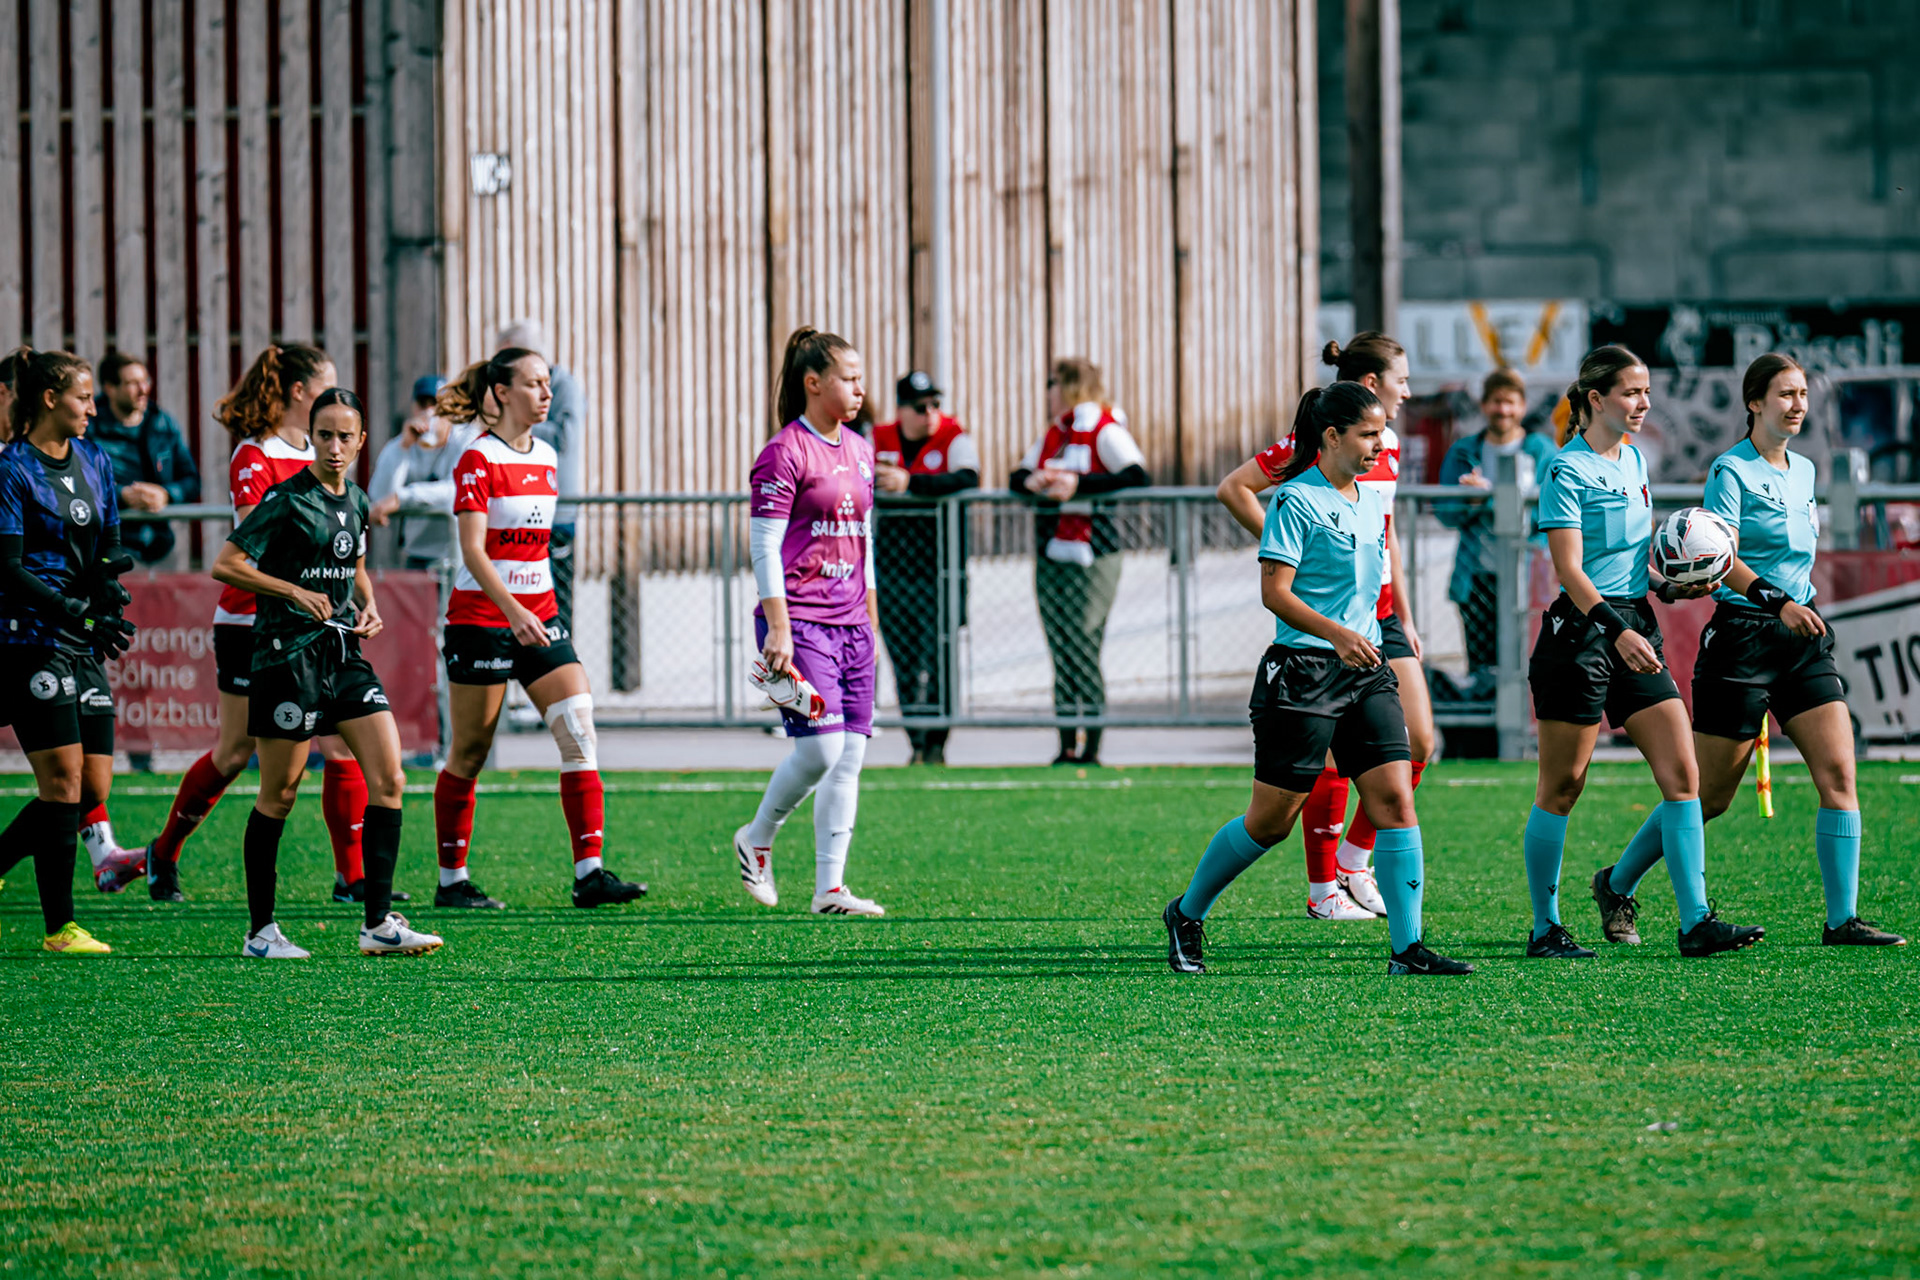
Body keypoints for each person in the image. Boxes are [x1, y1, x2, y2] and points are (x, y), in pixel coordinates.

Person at [1161, 382, 1471, 976]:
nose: (1381, 444)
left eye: (1381, 432)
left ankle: (1408, 949)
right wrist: (1337, 634)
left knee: (1395, 800)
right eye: (1369, 434)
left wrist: (1380, 631)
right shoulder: (1293, 500)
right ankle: (1188, 911)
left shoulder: (1371, 498)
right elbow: (1274, 593)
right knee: (1271, 821)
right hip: (1302, 674)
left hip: (1367, 669)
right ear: (1332, 437)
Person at [1523, 344, 1764, 958]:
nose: (1644, 403)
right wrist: (1616, 627)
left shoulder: (1634, 461)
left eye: (1647, 392)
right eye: (1632, 392)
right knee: (1563, 785)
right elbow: (1570, 572)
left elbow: (1628, 565)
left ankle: (1695, 922)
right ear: (1596, 399)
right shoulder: (1564, 468)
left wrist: (1668, 586)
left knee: (1684, 778)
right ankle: (1545, 927)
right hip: (1582, 634)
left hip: (1634, 623)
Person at [139, 343, 389, 906]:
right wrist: (305, 585)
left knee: (341, 746)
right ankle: (166, 849)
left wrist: (357, 596)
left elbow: (346, 550)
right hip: (253, 626)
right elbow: (254, 550)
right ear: (301, 392)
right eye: (326, 383)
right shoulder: (256, 456)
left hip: (321, 630)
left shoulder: (327, 457)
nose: (335, 403)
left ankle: (352, 878)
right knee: (234, 753)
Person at [1684, 355, 1902, 946]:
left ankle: (1842, 919)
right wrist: (1778, 601)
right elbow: (1720, 558)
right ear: (1754, 402)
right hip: (1744, 638)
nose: (1797, 404)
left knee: (1839, 775)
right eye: (1785, 394)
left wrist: (1796, 608)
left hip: (1801, 639)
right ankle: (1617, 881)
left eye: (1803, 393)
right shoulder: (1730, 470)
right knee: (1707, 798)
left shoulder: (1806, 470)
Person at [211, 388, 438, 957]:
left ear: (362, 441)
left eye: (346, 436)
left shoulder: (357, 500)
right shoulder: (286, 500)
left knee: (390, 779)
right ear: (312, 436)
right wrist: (291, 589)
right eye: (326, 435)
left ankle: (378, 923)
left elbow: (355, 566)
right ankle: (260, 932)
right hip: (286, 658)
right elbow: (227, 563)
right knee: (280, 793)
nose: (335, 447)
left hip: (343, 656)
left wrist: (370, 604)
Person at [1213, 333, 1429, 921]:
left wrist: (1403, 615)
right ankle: (1305, 893)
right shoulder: (1302, 480)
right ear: (1367, 389)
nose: (1409, 391)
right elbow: (1236, 495)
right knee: (1273, 818)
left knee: (1411, 764)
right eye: (1401, 379)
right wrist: (1293, 552)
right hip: (1312, 656)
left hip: (1373, 634)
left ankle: (1392, 926)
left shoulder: (1379, 462)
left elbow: (1385, 536)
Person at [429, 348, 645, 911]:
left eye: (548, 384)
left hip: (541, 619)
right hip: (481, 621)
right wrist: (512, 610)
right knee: (470, 752)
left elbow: (536, 549)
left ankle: (590, 874)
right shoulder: (477, 458)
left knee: (579, 728)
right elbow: (473, 552)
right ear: (501, 393)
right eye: (534, 384)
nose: (546, 394)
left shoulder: (547, 456)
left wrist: (537, 610)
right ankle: (452, 881)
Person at [731, 326, 886, 916]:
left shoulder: (861, 449)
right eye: (849, 378)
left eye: (860, 379)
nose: (859, 389)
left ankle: (830, 889)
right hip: (801, 624)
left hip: (852, 627)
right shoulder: (784, 452)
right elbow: (764, 546)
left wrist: (870, 621)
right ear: (813, 382)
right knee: (820, 751)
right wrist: (778, 629)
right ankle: (757, 836)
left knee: (850, 757)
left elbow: (863, 538)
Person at [0, 350, 139, 954]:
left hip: (79, 635)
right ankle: (61, 927)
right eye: (84, 397)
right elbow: (6, 566)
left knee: (90, 785)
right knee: (61, 781)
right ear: (50, 399)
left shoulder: (95, 458)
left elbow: (108, 546)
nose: (92, 407)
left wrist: (108, 591)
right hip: (29, 637)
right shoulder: (11, 469)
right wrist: (68, 609)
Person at [1011, 358, 1149, 766]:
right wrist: (1032, 481)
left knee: (1084, 642)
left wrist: (1078, 486)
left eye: (1052, 384)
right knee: (1060, 646)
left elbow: (1137, 475)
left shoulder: (1104, 429)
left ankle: (1092, 743)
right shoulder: (1055, 433)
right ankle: (1067, 742)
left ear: (1069, 387)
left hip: (1095, 554)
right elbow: (1016, 476)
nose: (1048, 393)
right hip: (1053, 550)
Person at [873, 370, 980, 765]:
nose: (930, 413)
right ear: (901, 410)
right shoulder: (879, 439)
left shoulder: (954, 437)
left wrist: (910, 484)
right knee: (903, 659)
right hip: (893, 569)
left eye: (936, 404)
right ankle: (917, 741)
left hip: (940, 570)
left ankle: (938, 741)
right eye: (920, 407)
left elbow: (967, 478)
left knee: (939, 656)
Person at [1435, 368, 1554, 687]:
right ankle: (1485, 735)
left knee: (1531, 664)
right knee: (1482, 669)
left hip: (1528, 575)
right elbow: (1444, 513)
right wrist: (1468, 502)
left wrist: (1487, 498)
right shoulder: (1463, 451)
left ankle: (1525, 734)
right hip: (1477, 578)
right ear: (1484, 405)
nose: (1503, 410)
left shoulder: (1542, 450)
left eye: (1510, 402)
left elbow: (1552, 511)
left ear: (1523, 406)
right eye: (1496, 402)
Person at [497, 321, 582, 628]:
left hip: (556, 516)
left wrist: (514, 421)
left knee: (556, 609)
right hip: (517, 513)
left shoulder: (563, 385)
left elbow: (565, 439)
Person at [91, 349, 201, 564]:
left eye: (145, 381)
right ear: (109, 388)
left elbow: (192, 481)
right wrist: (122, 495)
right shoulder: (89, 428)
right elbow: (77, 484)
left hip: (161, 546)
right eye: (132, 383)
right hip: (108, 549)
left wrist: (166, 495)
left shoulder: (162, 424)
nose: (143, 390)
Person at [368, 374, 480, 569]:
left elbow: (459, 489)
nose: (430, 411)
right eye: (423, 403)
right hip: (417, 554)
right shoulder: (402, 443)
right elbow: (379, 495)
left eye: (437, 405)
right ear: (414, 406)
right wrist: (403, 447)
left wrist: (402, 498)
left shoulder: (467, 439)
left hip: (460, 555)